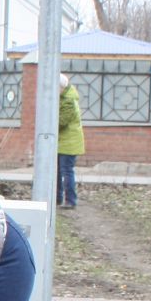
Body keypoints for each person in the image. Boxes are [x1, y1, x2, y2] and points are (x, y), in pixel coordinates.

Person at [57, 72, 85, 209]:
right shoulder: (64, 98)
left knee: (66, 171)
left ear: (61, 87)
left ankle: (70, 200)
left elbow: (61, 122)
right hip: (63, 142)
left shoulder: (68, 101)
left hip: (69, 143)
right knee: (58, 171)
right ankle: (57, 198)